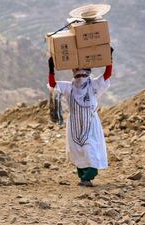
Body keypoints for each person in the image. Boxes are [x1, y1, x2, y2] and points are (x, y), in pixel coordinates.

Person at [47, 54, 113, 187]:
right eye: (77, 75)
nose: (80, 78)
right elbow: (53, 85)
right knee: (77, 150)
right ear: (73, 74)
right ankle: (83, 178)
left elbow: (106, 75)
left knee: (91, 149)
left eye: (83, 75)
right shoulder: (69, 87)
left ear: (88, 74)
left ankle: (89, 176)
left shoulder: (93, 85)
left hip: (90, 125)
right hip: (75, 126)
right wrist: (51, 69)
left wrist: (109, 58)